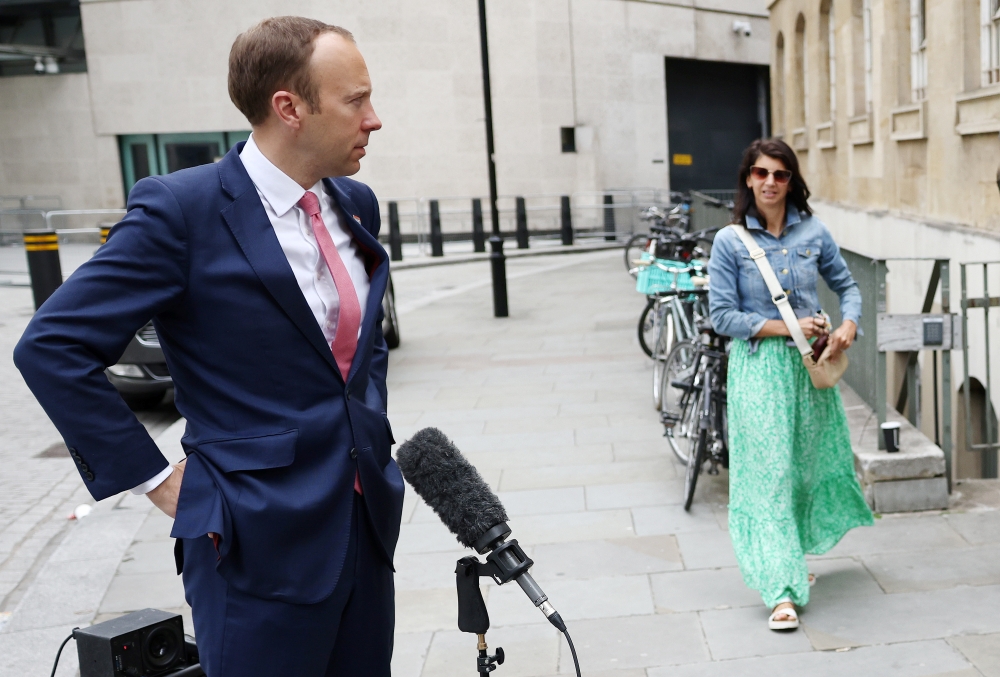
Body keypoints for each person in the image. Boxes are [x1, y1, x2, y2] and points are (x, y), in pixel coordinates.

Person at [14, 17, 403, 676]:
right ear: (290, 108)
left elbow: (361, 354)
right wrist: (160, 481)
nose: (374, 119)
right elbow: (51, 346)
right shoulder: (182, 211)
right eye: (355, 100)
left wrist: (369, 436)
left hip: (364, 531)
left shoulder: (355, 204)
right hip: (252, 545)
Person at [708, 138, 873, 631]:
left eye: (780, 174)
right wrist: (791, 326)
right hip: (759, 370)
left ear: (792, 180)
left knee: (806, 463)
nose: (770, 183)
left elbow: (848, 287)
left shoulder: (814, 232)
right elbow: (722, 316)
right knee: (769, 474)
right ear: (748, 180)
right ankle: (780, 588)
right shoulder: (731, 242)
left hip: (809, 368)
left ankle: (788, 559)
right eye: (761, 174)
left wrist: (849, 326)